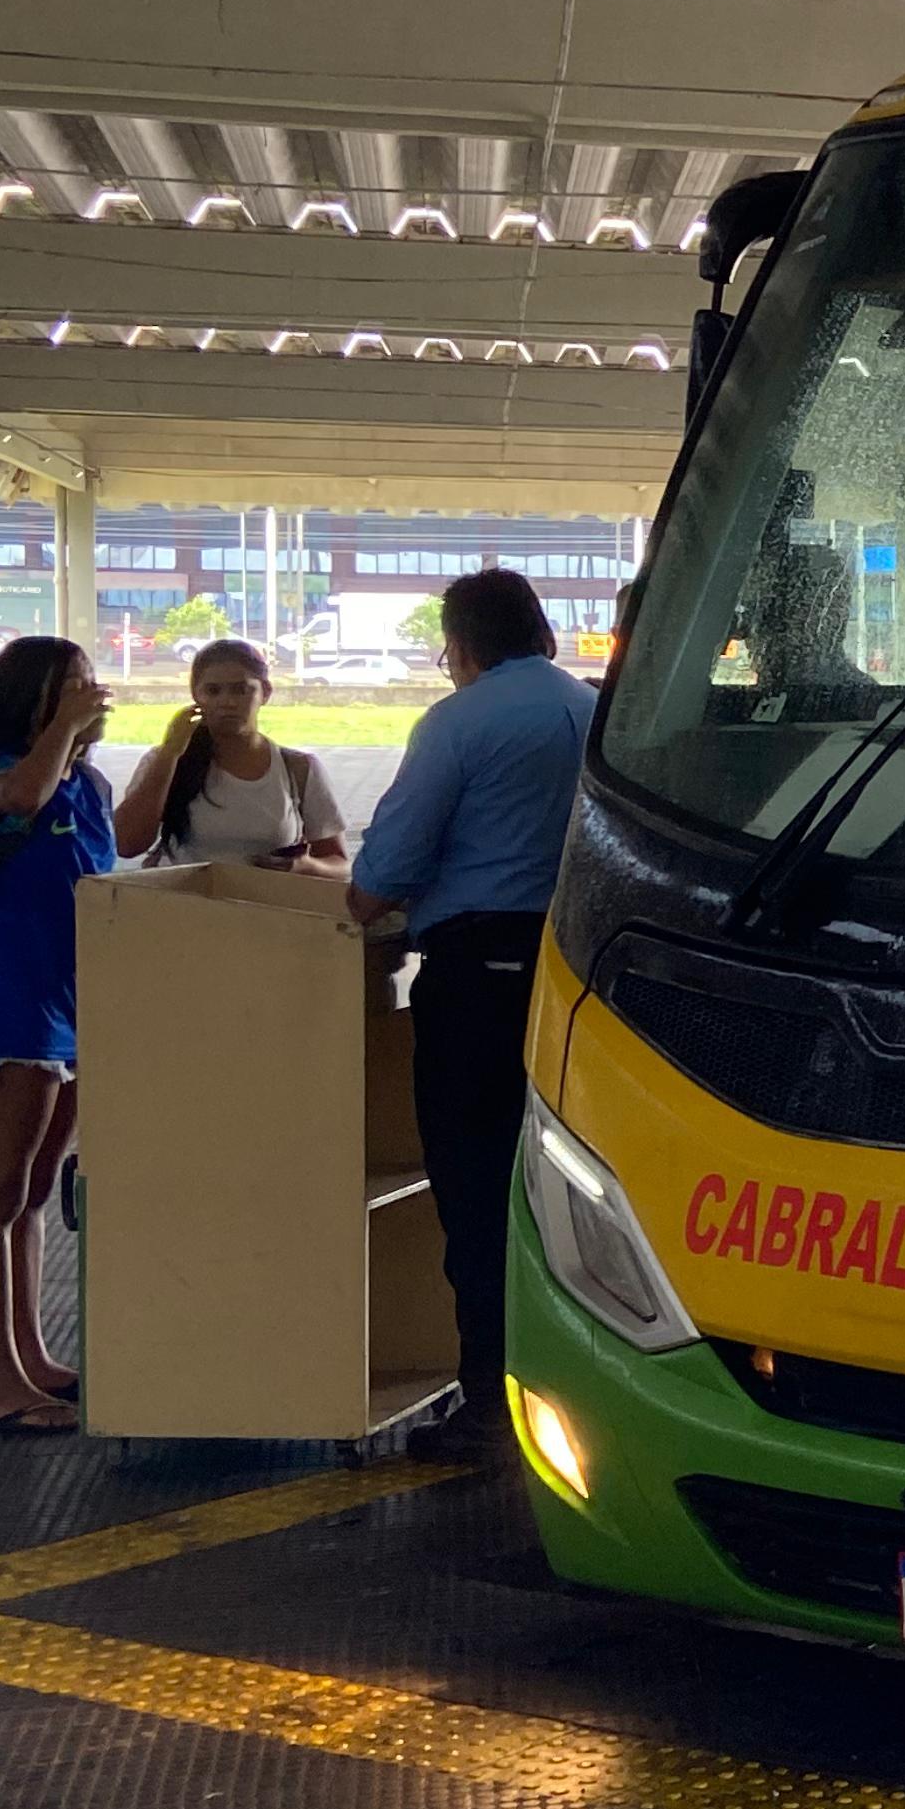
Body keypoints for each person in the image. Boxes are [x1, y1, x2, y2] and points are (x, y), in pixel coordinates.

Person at [348, 570, 593, 1445]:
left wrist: (364, 897)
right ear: (545, 634)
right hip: (581, 982)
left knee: (475, 1184)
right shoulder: (600, 712)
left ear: (459, 647)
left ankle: (489, 1396)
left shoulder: (459, 722)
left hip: (478, 983)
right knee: (571, 1194)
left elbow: (383, 874)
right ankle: (580, 1393)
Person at [0, 635, 114, 1434]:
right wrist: (65, 729)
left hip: (73, 1003)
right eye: (70, 686)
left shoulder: (86, 783)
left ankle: (32, 1357)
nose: (89, 696)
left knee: (37, 1191)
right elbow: (17, 800)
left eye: (89, 684)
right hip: (8, 1005)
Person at [111, 636, 350, 872]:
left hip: (266, 897)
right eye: (213, 691)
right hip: (181, 896)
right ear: (195, 694)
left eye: (241, 690)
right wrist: (169, 754)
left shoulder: (298, 769)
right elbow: (127, 844)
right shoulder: (166, 761)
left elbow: (339, 865)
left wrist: (302, 867)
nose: (227, 702)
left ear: (265, 692)